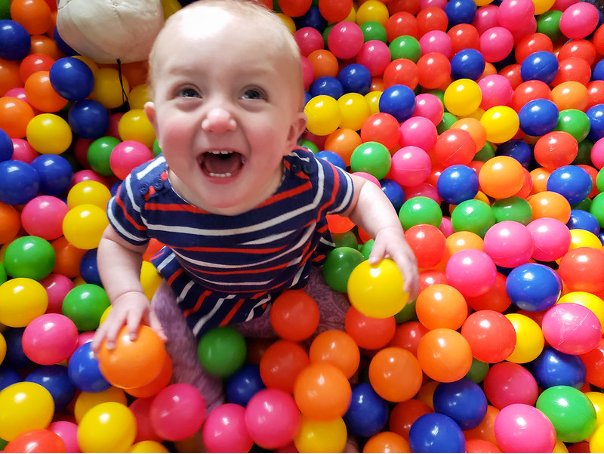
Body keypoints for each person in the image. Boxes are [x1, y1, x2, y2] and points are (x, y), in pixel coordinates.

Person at [91, 0, 418, 428]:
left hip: (296, 284)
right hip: (201, 292)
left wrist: (388, 231)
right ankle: (203, 414)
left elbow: (358, 192)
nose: (219, 117)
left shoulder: (303, 176)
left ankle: (332, 405)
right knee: (163, 324)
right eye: (189, 92)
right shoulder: (148, 191)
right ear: (155, 123)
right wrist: (127, 295)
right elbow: (117, 241)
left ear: (289, 134)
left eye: (252, 94)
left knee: (341, 320)